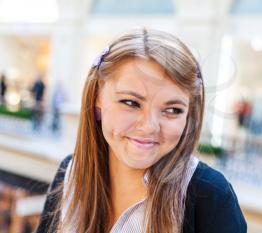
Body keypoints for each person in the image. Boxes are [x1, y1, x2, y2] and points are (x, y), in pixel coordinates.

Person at [36, 28, 247, 233]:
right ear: (97, 97)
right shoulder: (71, 173)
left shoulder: (211, 197)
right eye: (131, 102)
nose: (149, 127)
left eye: (172, 110)